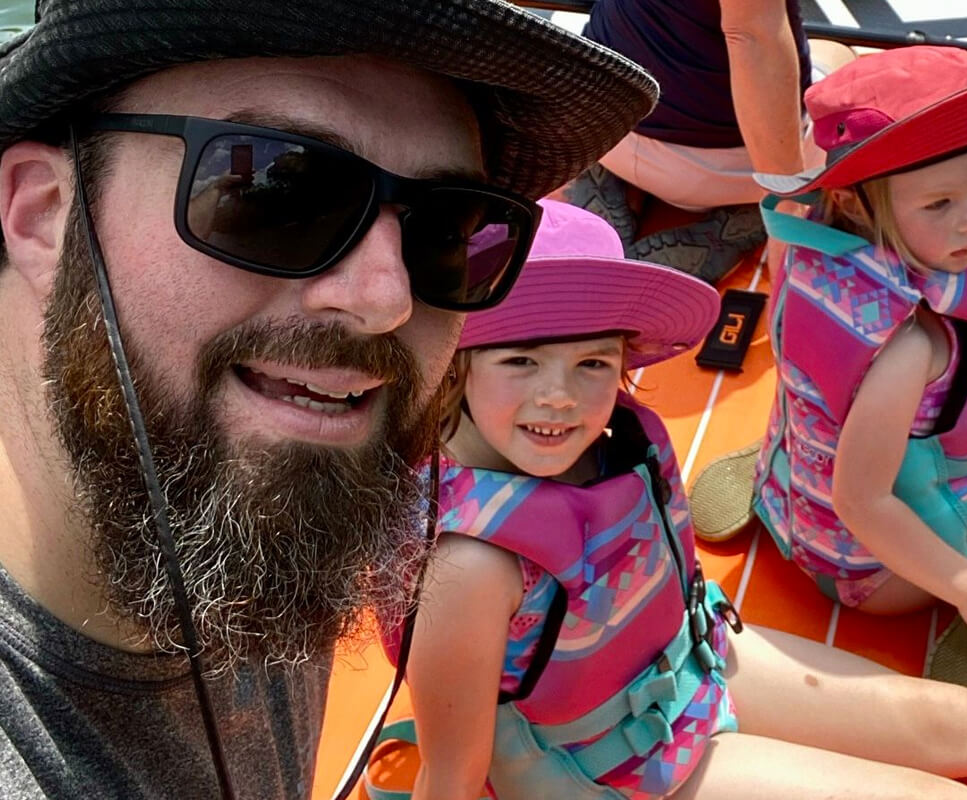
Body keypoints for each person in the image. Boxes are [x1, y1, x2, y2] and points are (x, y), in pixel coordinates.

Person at [373, 200, 967, 800]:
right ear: (454, 361)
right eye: (521, 360)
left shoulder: (616, 433)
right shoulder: (467, 562)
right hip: (605, 767)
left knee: (949, 726)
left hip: (687, 662)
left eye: (593, 362)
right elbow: (458, 777)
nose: (564, 396)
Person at [0, 1, 658, 797]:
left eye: (443, 229)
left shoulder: (256, 477)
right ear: (44, 213)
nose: (388, 299)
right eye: (275, 191)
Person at [689, 45, 967, 691]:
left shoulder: (802, 246)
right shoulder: (914, 342)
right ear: (864, 204)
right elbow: (862, 501)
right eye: (940, 204)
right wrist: (966, 586)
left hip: (797, 504)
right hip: (875, 577)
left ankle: (768, 489)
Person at [560, 0, 824, 285]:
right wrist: (788, 208)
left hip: (593, 119)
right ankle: (746, 216)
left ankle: (614, 185)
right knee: (836, 56)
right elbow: (752, 36)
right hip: (710, 172)